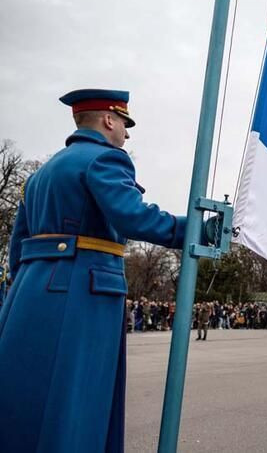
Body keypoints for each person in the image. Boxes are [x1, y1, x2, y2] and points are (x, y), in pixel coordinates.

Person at [0, 89, 187, 453]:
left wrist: (18, 287)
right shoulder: (106, 160)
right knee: (79, 398)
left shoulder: (40, 175)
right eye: (124, 124)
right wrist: (190, 229)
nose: (127, 134)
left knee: (26, 393)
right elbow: (133, 216)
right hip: (84, 287)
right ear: (108, 120)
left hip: (30, 290)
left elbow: (17, 244)